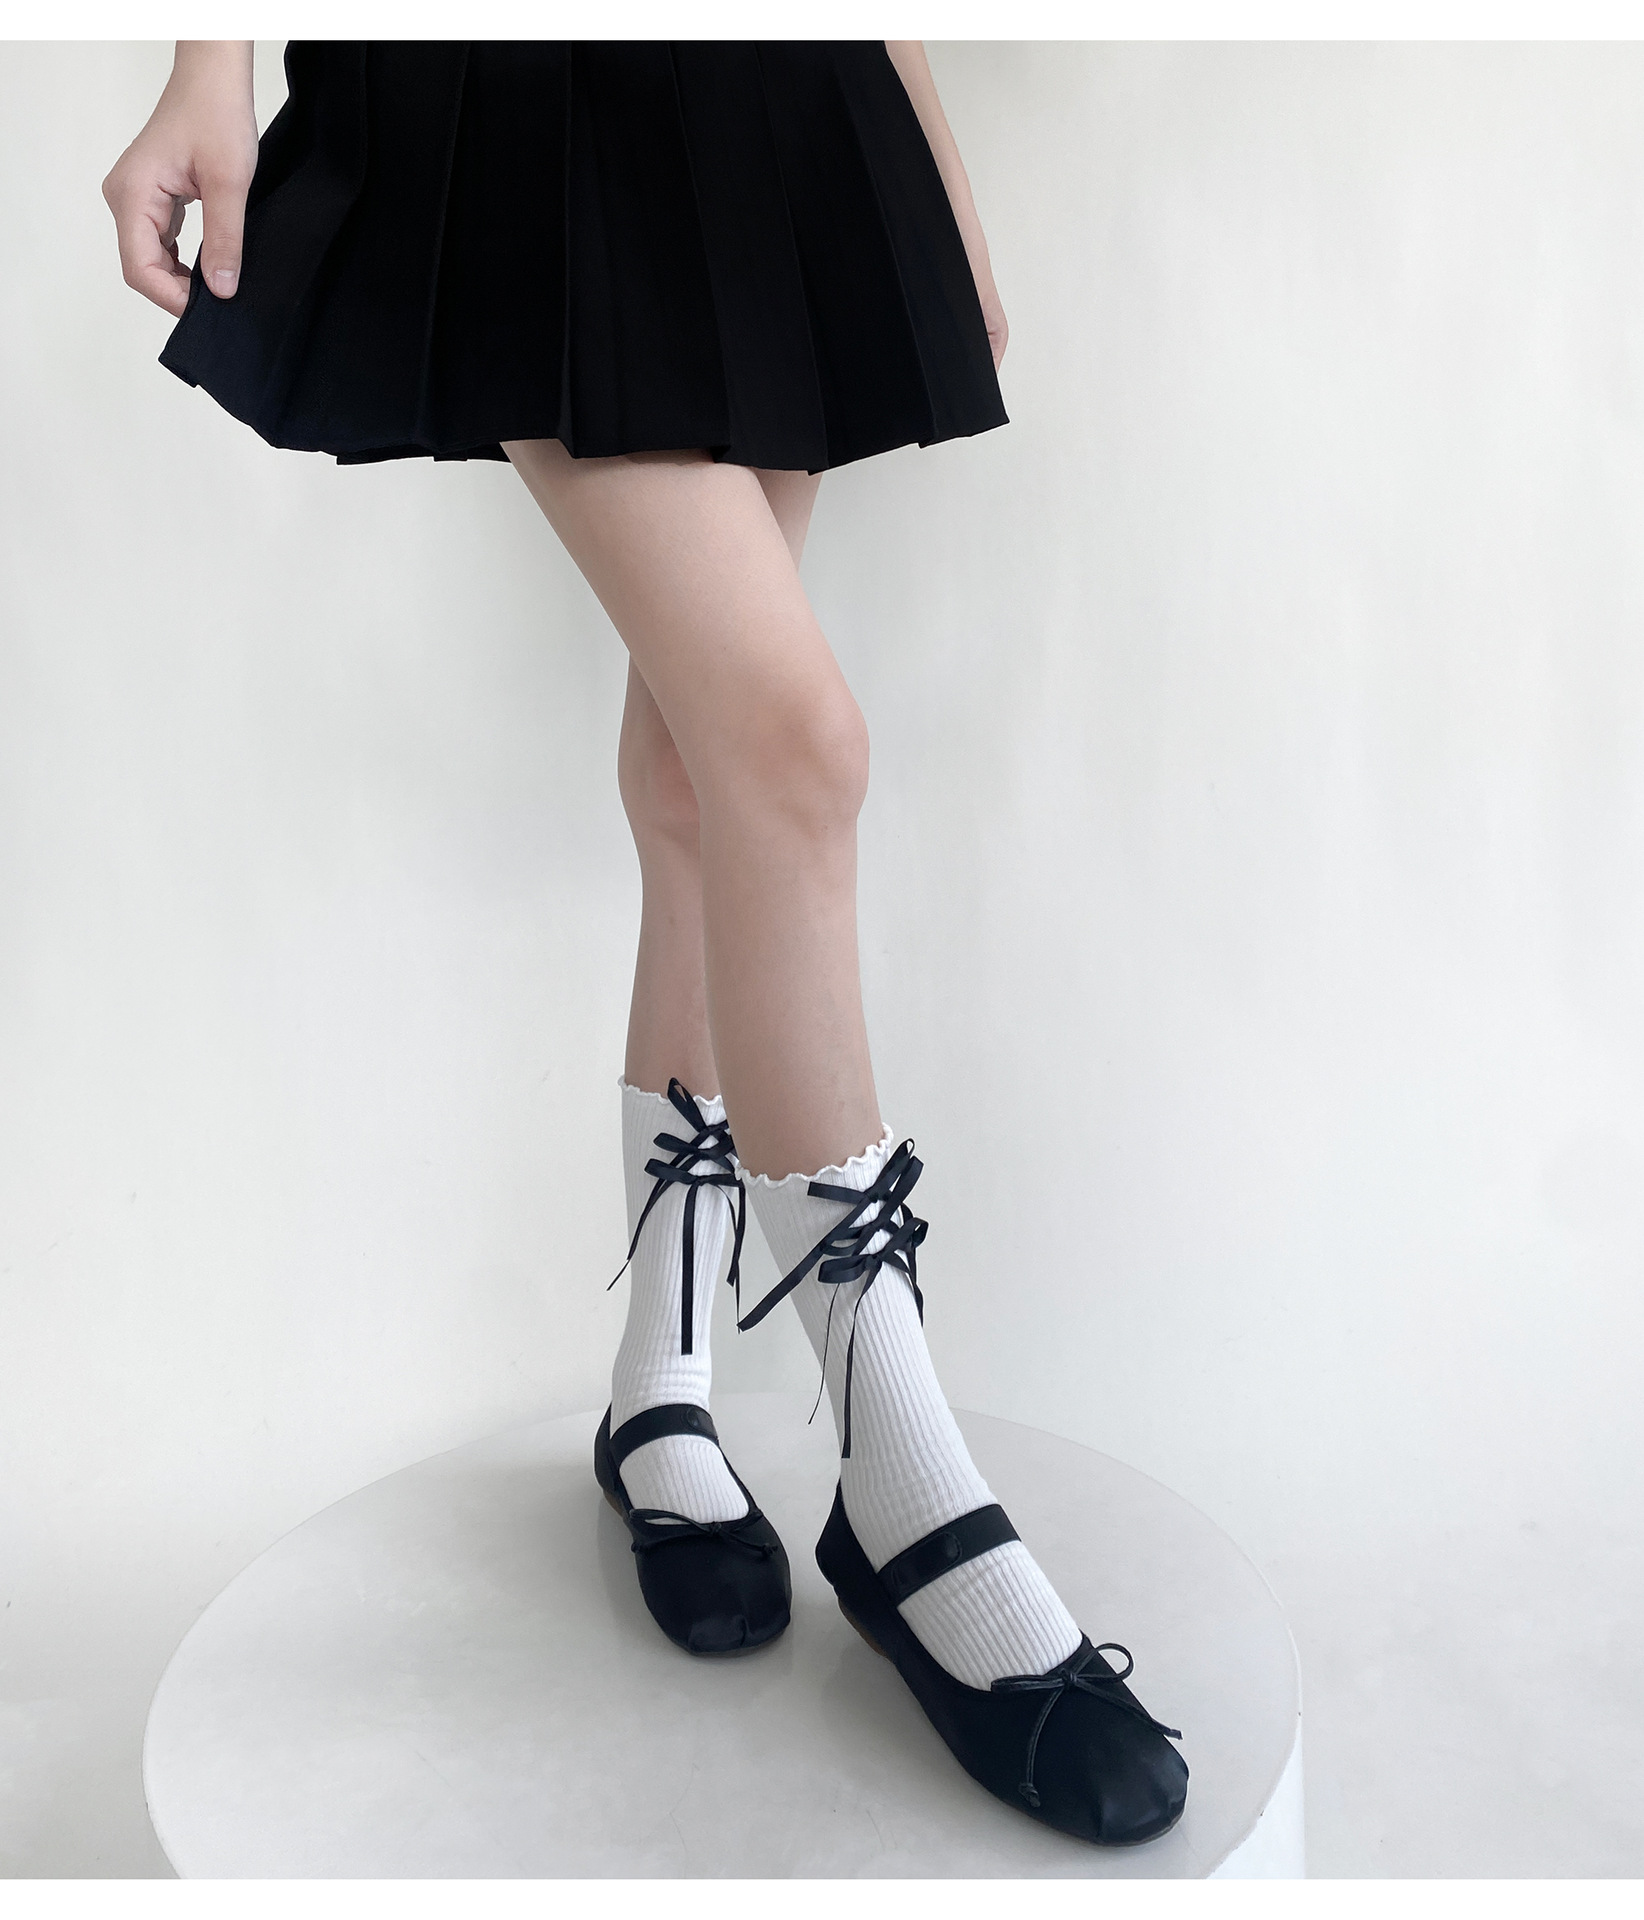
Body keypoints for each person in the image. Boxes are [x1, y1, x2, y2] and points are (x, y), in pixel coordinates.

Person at [103, 39, 1187, 1846]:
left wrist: (926, 147)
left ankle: (658, 1385)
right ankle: (902, 1478)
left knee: (700, 768)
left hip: (773, 85)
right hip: (521, 89)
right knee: (795, 749)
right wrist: (206, 56)